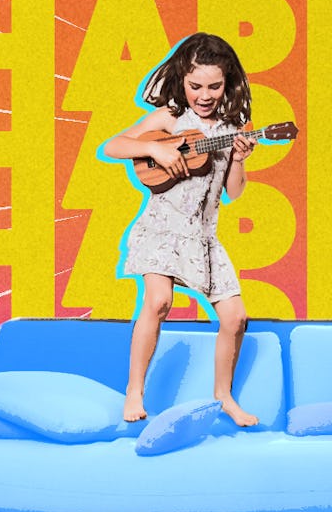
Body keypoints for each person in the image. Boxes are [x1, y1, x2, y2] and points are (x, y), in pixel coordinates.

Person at [103, 33, 259, 427]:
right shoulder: (169, 119)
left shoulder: (233, 127)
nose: (204, 95)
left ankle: (223, 396)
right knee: (158, 302)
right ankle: (134, 392)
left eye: (214, 86)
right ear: (182, 81)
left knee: (235, 318)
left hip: (204, 237)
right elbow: (114, 146)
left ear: (228, 83)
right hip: (163, 228)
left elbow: (234, 192)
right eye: (195, 86)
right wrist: (154, 148)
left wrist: (238, 160)